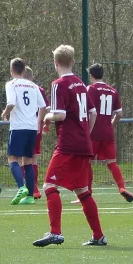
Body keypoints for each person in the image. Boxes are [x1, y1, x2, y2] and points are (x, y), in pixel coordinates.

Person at [32, 45, 107, 247]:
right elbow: (93, 113)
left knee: (48, 185)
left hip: (67, 145)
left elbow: (60, 114)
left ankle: (55, 232)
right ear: (73, 62)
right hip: (84, 144)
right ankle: (98, 235)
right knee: (82, 190)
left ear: (55, 63)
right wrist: (85, 134)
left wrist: (47, 117)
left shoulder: (59, 84)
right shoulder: (82, 85)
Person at [71, 63, 133, 204]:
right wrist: (110, 124)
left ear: (91, 75)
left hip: (93, 132)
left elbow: (85, 110)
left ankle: (87, 194)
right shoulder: (112, 91)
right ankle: (122, 188)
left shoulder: (90, 89)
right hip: (108, 132)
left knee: (87, 163)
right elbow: (119, 114)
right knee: (112, 163)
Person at [1, 58, 47, 205]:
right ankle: (30, 196)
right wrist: (38, 122)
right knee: (28, 160)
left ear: (11, 70)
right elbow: (43, 107)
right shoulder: (34, 86)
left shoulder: (11, 84)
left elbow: (11, 103)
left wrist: (5, 113)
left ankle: (21, 187)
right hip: (32, 128)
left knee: (12, 158)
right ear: (24, 70)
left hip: (18, 127)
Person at [21, 66, 49, 200]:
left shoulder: (17, 87)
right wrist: (42, 123)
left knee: (20, 158)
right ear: (32, 77)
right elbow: (45, 108)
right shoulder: (38, 89)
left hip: (21, 126)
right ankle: (34, 189)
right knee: (33, 158)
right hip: (35, 127)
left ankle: (24, 188)